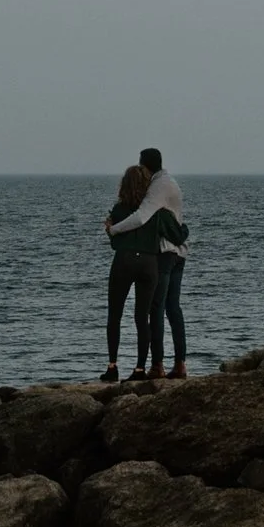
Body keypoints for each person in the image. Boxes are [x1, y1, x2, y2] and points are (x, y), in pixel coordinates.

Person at [107, 147, 189, 378]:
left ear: (145, 165)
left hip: (163, 253)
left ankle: (156, 366)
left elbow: (142, 216)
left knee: (156, 309)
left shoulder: (156, 188)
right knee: (173, 308)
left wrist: (113, 229)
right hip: (178, 251)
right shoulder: (170, 182)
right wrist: (183, 232)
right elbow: (176, 225)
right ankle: (180, 363)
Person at [101, 163, 164, 382]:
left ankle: (112, 366)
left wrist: (109, 230)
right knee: (142, 317)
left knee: (115, 314)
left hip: (124, 261)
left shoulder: (119, 210)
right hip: (149, 263)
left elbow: (115, 242)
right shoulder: (154, 211)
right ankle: (139, 368)